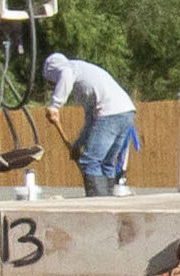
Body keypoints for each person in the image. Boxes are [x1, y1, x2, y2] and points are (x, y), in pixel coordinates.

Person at [45, 52, 137, 197]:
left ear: (53, 73)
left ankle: (97, 208)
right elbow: (91, 120)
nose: (52, 86)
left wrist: (54, 106)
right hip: (126, 112)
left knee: (90, 162)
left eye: (52, 82)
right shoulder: (82, 76)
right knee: (107, 162)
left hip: (110, 112)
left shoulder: (69, 69)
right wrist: (77, 145)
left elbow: (65, 73)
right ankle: (108, 205)